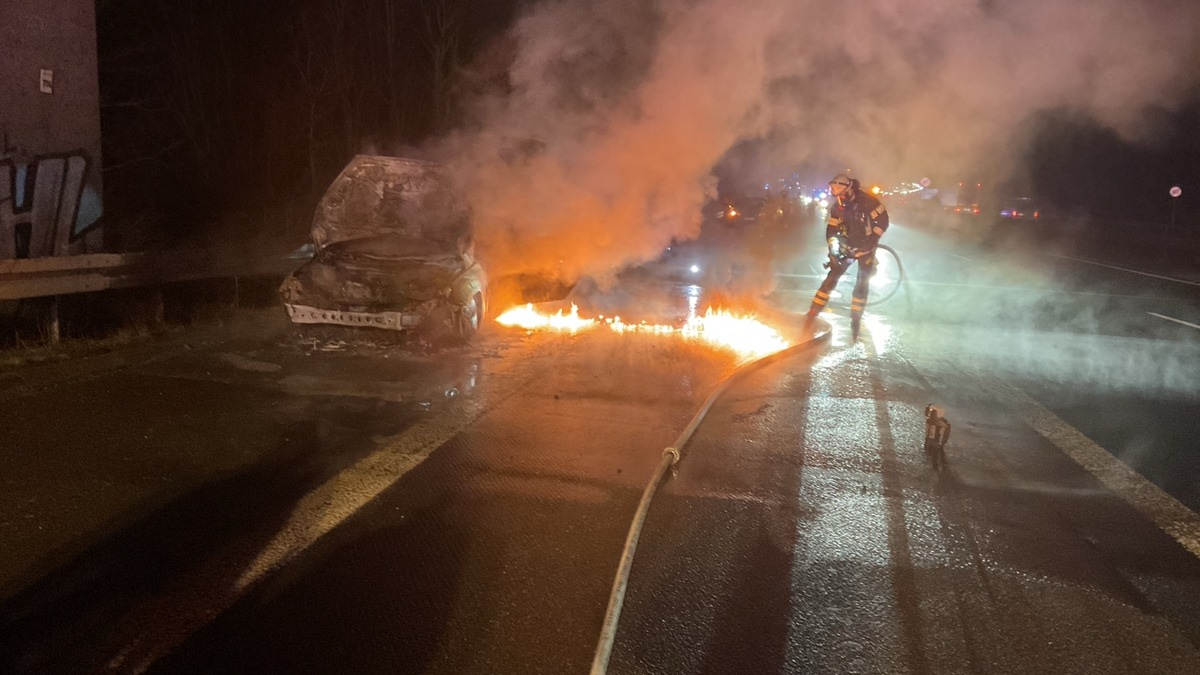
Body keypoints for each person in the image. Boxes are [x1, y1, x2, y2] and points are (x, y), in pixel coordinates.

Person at [804, 173, 889, 340]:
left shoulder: (868, 202)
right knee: (831, 278)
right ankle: (812, 313)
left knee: (862, 282)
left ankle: (855, 319)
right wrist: (833, 249)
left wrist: (872, 240)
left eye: (841, 192)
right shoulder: (837, 206)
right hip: (847, 248)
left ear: (848, 188)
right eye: (836, 193)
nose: (839, 197)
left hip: (866, 248)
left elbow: (883, 220)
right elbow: (832, 229)